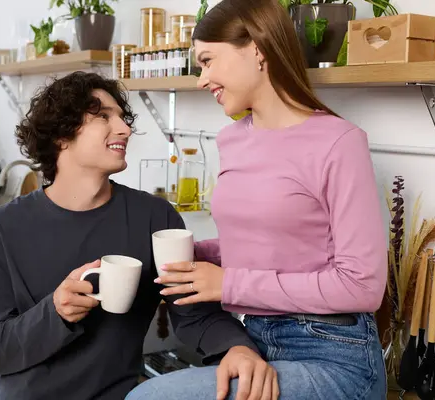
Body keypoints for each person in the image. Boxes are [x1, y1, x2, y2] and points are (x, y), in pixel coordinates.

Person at [125, 0, 388, 399]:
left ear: (257, 49)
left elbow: (362, 287)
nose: (201, 79)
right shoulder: (232, 140)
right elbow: (268, 246)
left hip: (333, 353)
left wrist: (228, 283)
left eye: (208, 60)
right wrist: (196, 254)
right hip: (253, 338)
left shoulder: (339, 142)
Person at [0, 71, 276, 400]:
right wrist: (55, 312)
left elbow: (193, 312)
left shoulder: (155, 218)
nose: (124, 128)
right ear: (61, 136)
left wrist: (237, 347)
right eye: (103, 116)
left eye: (121, 116)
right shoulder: (3, 228)